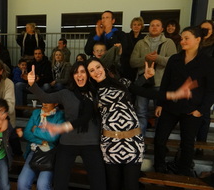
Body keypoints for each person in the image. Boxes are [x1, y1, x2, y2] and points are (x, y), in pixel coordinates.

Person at [84, 57, 197, 189]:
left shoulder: (122, 82)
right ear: (89, 75)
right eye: (91, 70)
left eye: (98, 67)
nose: (96, 71)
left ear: (103, 67)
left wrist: (174, 94)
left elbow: (146, 92)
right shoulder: (91, 93)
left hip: (133, 142)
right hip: (110, 144)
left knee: (131, 185)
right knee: (113, 186)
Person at [27, 62, 107, 190]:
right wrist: (32, 84)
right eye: (76, 72)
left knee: (99, 184)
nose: (79, 75)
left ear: (88, 74)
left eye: (82, 72)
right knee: (60, 184)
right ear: (72, 76)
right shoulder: (65, 93)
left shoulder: (97, 92)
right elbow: (45, 97)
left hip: (91, 143)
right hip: (68, 143)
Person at [154, 26, 214, 177]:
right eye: (182, 38)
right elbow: (165, 82)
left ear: (198, 40)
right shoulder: (175, 59)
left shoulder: (207, 61)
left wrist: (201, 110)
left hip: (192, 110)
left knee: (187, 144)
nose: (182, 41)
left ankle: (183, 174)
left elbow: (211, 89)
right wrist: (160, 103)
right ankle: (159, 169)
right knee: (159, 139)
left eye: (186, 38)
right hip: (170, 107)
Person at [130, 18, 177, 136]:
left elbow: (174, 62)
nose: (154, 27)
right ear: (148, 28)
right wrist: (146, 58)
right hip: (143, 83)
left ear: (162, 29)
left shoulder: (168, 42)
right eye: (152, 25)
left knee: (160, 113)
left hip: (160, 83)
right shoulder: (140, 43)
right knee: (141, 113)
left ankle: (159, 142)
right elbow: (133, 62)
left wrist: (157, 58)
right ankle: (141, 142)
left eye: (157, 25)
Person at [17, 103, 65, 190]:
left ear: (55, 103)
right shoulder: (36, 113)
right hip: (34, 151)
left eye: (48, 101)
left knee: (42, 185)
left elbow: (53, 137)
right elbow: (27, 134)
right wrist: (42, 141)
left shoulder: (60, 115)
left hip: (50, 153)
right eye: (43, 101)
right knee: (22, 183)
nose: (44, 104)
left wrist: (35, 129)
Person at [195, 20, 214, 155]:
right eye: (202, 29)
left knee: (204, 115)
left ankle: (201, 144)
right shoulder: (196, 43)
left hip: (208, 84)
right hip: (194, 83)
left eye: (207, 29)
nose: (205, 31)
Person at [125, 17, 146, 81]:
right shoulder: (125, 36)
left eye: (138, 25)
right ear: (131, 26)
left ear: (141, 26)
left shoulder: (144, 38)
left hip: (139, 65)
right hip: (127, 64)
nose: (136, 26)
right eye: (134, 24)